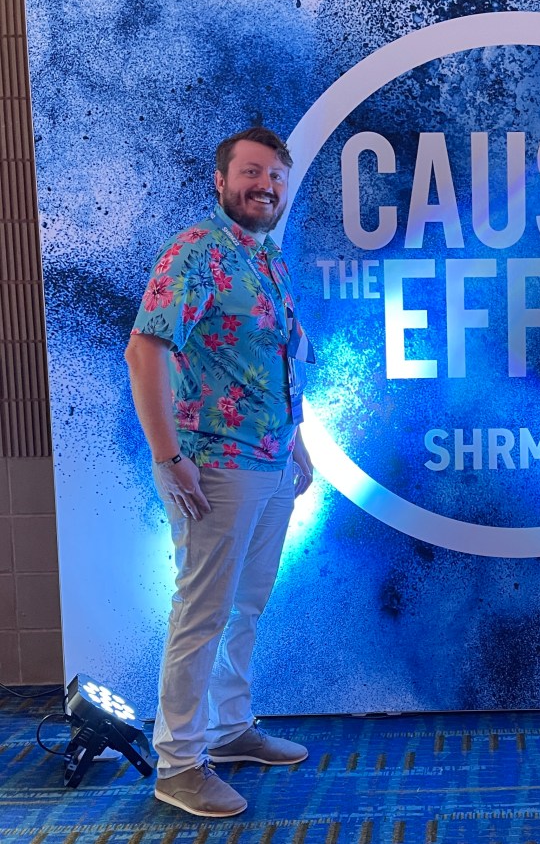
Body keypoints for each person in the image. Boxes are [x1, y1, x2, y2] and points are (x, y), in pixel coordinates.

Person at [125, 126, 316, 817]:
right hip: (214, 464)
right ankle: (179, 763)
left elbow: (272, 359)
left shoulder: (266, 258)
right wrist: (168, 456)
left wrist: (298, 442)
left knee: (246, 606)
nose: (265, 186)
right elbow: (144, 351)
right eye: (252, 173)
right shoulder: (196, 253)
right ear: (221, 180)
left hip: (271, 460)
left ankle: (230, 728)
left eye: (275, 177)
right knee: (201, 612)